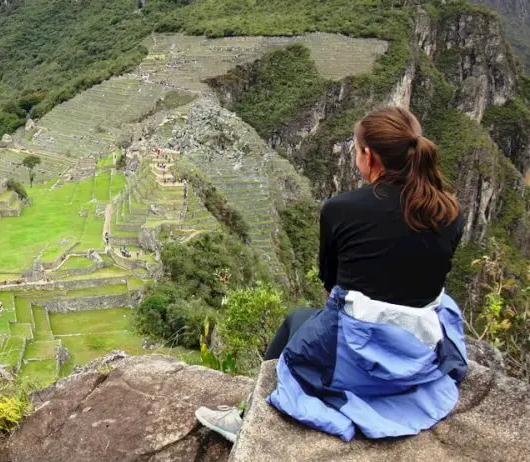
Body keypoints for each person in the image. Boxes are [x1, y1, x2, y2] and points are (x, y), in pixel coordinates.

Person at [195, 106, 467, 443]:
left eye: (356, 150)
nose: (356, 158)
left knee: (296, 319)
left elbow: (332, 283)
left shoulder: (342, 209)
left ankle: (248, 418)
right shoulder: (449, 212)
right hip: (420, 353)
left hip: (359, 354)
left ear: (369, 156)